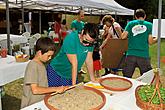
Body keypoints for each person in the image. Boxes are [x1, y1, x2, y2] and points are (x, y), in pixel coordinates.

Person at [21, 37, 69, 108]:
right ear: (40, 53)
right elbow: (35, 90)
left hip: (39, 103)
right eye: (48, 56)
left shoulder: (41, 64)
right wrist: (56, 89)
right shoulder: (33, 66)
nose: (50, 58)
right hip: (31, 105)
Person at [121, 9, 157, 78]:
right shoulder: (149, 25)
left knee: (126, 77)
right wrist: (157, 39)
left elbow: (123, 37)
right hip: (143, 54)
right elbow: (150, 42)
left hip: (131, 54)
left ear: (135, 16)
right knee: (146, 78)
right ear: (145, 16)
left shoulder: (131, 23)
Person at [71, 9, 86, 74]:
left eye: (83, 16)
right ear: (78, 15)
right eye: (81, 16)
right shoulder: (74, 23)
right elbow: (74, 32)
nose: (82, 17)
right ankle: (74, 68)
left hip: (82, 41)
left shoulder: (83, 23)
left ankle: (79, 69)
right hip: (76, 41)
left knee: (81, 55)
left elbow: (83, 31)